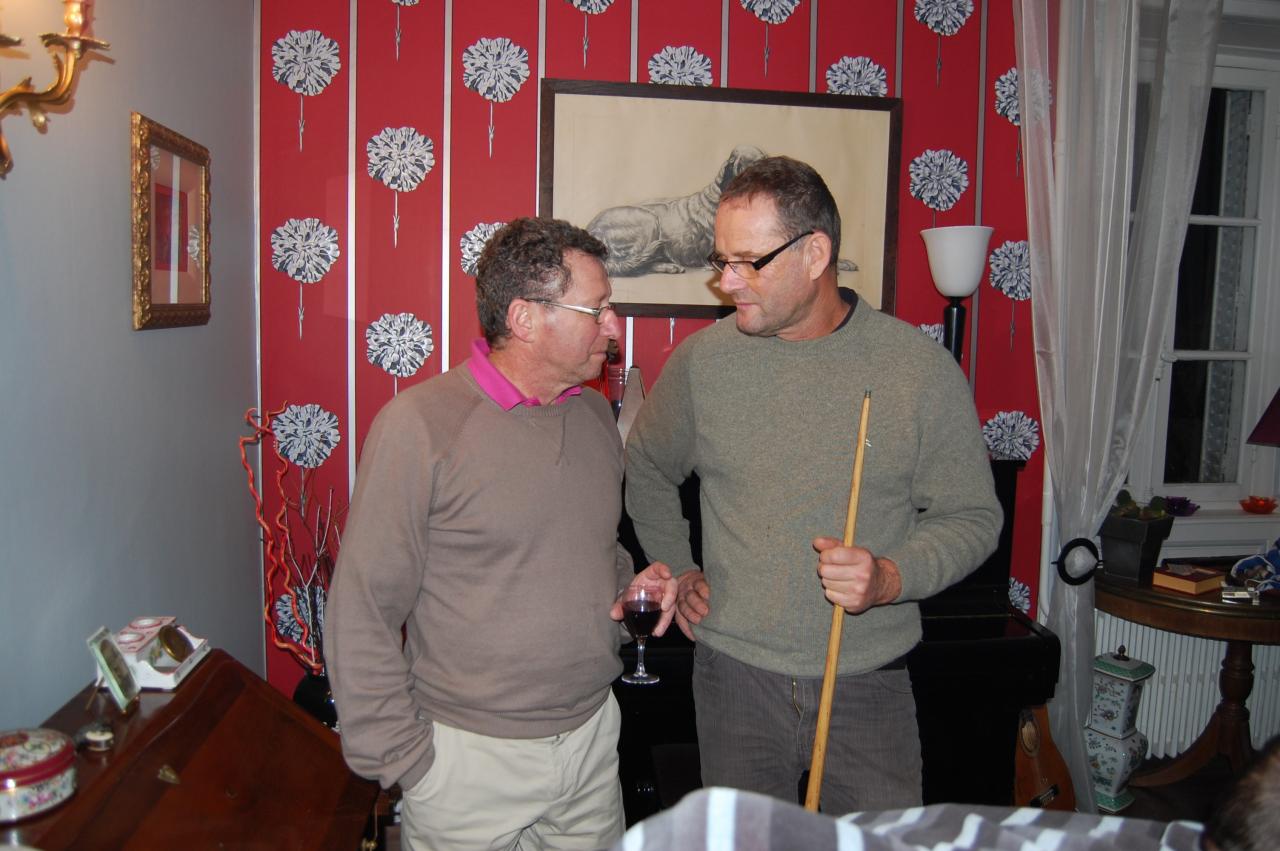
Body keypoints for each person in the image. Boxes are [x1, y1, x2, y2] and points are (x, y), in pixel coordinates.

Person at [623, 156, 1002, 814]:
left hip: (868, 681)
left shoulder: (915, 369)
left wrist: (890, 576)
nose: (726, 282)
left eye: (749, 262)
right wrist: (679, 569)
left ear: (815, 254)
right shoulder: (703, 363)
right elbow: (648, 467)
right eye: (722, 260)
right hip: (734, 680)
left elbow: (973, 516)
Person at [326, 217, 664, 850]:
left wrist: (630, 589)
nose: (614, 326)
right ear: (525, 318)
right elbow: (363, 608)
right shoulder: (419, 426)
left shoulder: (594, 415)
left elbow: (593, 548)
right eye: (596, 309)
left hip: (592, 742)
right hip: (467, 762)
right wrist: (407, 764)